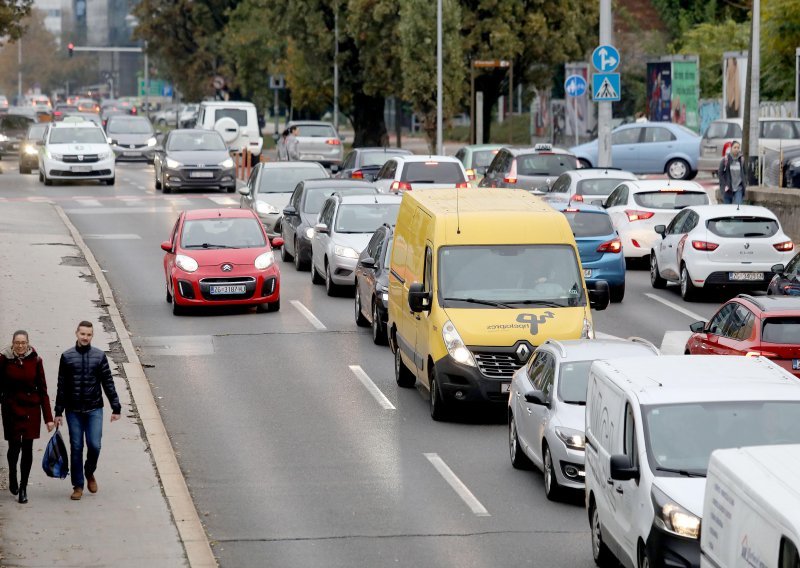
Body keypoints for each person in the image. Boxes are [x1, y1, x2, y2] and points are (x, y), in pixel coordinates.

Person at [53, 321, 121, 501]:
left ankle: (89, 471)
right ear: (76, 333)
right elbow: (62, 386)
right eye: (82, 333)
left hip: (94, 409)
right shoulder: (66, 357)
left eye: (88, 334)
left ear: (92, 336)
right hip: (73, 410)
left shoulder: (99, 356)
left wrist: (116, 407)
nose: (85, 337)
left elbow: (108, 382)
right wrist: (58, 412)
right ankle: (78, 485)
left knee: (95, 445)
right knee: (76, 447)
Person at [0, 331, 54, 504]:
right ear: (12, 343)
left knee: (28, 448)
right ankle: (13, 474)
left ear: (28, 343)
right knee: (14, 447)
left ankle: (23, 487)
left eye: (23, 343)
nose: (20, 346)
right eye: (17, 343)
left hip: (31, 409)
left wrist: (48, 418)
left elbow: (43, 390)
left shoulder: (36, 360)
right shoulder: (4, 359)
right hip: (11, 408)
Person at [718, 140, 746, 205]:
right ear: (731, 148)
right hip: (728, 189)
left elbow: (744, 173)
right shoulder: (726, 159)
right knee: (727, 210)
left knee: (738, 207)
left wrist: (744, 182)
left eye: (738, 148)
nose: (736, 149)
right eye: (735, 147)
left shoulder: (741, 160)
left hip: (738, 188)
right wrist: (724, 184)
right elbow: (720, 173)